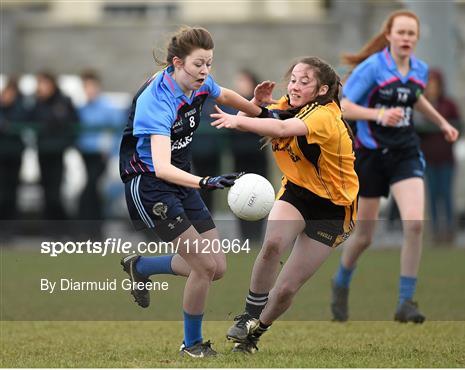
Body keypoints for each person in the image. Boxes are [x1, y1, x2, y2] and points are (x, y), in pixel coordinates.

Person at [118, 26, 265, 358]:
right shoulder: (156, 98)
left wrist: (263, 113)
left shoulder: (200, 85)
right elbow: (160, 166)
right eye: (199, 64)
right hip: (152, 186)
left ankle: (142, 267)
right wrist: (205, 182)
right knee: (202, 267)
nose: (205, 71)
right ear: (177, 62)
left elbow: (226, 96)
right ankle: (192, 345)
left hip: (182, 181)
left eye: (209, 63)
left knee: (218, 267)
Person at [210, 56, 359, 353]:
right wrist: (250, 103)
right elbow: (266, 114)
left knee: (287, 288)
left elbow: (278, 128)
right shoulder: (290, 107)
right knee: (272, 245)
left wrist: (239, 119)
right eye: (293, 79)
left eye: (304, 82)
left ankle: (256, 332)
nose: (295, 86)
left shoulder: (324, 116)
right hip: (297, 192)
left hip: (332, 208)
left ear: (321, 90)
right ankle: (249, 315)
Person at [330, 10, 459, 324]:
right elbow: (343, 106)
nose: (406, 38)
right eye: (400, 32)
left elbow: (415, 97)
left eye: (411, 34)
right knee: (364, 237)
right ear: (388, 35)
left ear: (417, 38)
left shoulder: (420, 69)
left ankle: (405, 302)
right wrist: (377, 116)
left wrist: (441, 122)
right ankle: (341, 281)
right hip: (371, 155)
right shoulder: (372, 67)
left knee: (414, 224)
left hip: (405, 153)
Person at [77, 69, 125, 238]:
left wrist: (111, 150)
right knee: (93, 190)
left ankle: (89, 229)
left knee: (89, 189)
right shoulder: (82, 108)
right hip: (86, 154)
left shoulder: (107, 107)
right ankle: (93, 230)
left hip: (100, 155)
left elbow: (117, 131)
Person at [416, 69, 461, 242]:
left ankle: (449, 230)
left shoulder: (449, 105)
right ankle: (435, 231)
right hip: (428, 158)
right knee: (433, 195)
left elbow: (458, 126)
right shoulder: (420, 105)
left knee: (446, 194)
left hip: (446, 158)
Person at [29, 71, 79, 225]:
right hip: (42, 151)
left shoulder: (64, 101)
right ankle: (49, 226)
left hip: (58, 152)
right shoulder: (36, 103)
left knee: (55, 192)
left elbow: (73, 124)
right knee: (45, 189)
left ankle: (62, 226)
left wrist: (66, 143)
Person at [0, 77, 29, 237]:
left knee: (11, 192)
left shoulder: (19, 109)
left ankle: (10, 228)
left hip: (13, 155)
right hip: (3, 156)